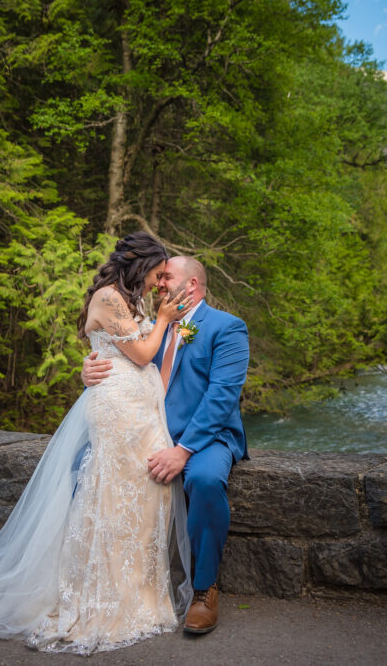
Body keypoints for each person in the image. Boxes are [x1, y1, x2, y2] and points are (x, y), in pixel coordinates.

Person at [0, 232, 196, 655]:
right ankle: (98, 600)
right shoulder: (110, 298)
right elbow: (142, 354)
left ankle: (141, 599)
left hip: (143, 413)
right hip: (117, 413)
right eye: (154, 273)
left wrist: (155, 325)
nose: (156, 282)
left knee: (144, 503)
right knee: (110, 502)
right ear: (140, 266)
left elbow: (120, 353)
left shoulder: (133, 301)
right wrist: (166, 321)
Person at [81, 254, 250, 634]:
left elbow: (222, 399)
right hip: (147, 430)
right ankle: (102, 578)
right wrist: (88, 369)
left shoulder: (227, 328)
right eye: (158, 278)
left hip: (206, 437)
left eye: (167, 277)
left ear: (191, 285)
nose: (158, 284)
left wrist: (183, 450)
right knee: (85, 466)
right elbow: (120, 359)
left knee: (204, 481)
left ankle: (204, 589)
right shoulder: (148, 326)